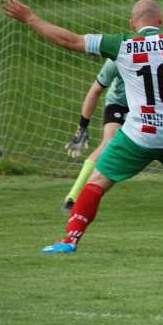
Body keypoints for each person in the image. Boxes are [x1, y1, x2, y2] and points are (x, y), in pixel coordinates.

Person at [1, 0, 163, 254]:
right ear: (161, 20)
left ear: (132, 24)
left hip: (140, 135)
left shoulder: (122, 44)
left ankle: (70, 240)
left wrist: (30, 18)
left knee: (98, 180)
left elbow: (69, 40)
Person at [61, 59, 128, 212]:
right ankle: (74, 196)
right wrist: (82, 127)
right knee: (110, 143)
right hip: (120, 104)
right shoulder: (117, 56)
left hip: (149, 105)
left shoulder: (161, 50)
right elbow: (95, 90)